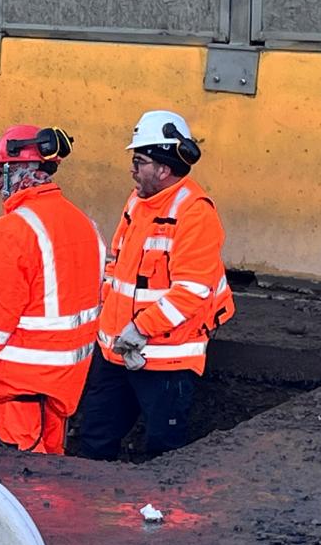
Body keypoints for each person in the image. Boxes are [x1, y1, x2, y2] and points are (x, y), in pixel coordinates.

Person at [77, 110, 235, 459]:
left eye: (140, 161)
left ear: (163, 169)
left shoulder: (195, 213)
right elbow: (118, 270)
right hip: (118, 350)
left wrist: (139, 328)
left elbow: (191, 292)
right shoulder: (139, 200)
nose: (132, 169)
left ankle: (153, 513)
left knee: (163, 451)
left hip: (165, 358)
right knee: (94, 439)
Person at [0, 126, 105, 453]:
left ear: (12, 172)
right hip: (63, 389)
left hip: (16, 391)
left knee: (18, 488)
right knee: (50, 483)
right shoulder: (84, 224)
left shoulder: (11, 231)